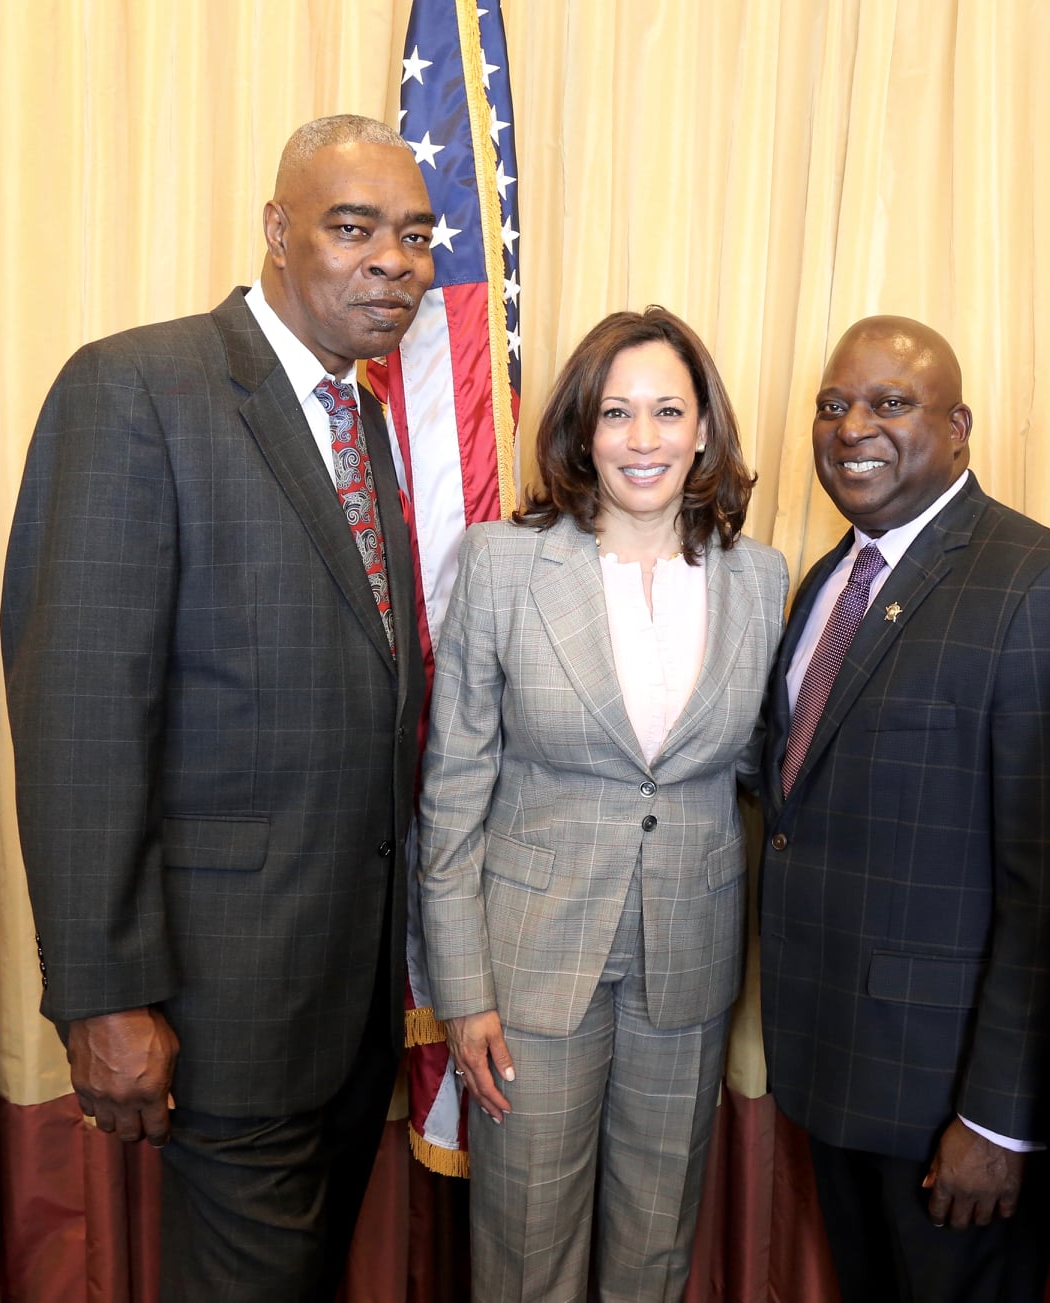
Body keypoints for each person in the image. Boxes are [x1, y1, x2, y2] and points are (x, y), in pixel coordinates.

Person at [0, 115, 432, 1300]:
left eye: (414, 235)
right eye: (354, 227)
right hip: (217, 1007)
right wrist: (102, 996)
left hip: (347, 1009)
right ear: (277, 231)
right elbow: (80, 715)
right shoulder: (135, 389)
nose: (393, 261)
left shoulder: (363, 420)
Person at [417, 306, 788, 1301]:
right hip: (530, 971)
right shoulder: (500, 565)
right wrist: (463, 991)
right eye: (616, 412)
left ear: (703, 429)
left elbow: (765, 767)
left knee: (655, 1251)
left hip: (688, 964)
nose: (642, 438)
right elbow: (451, 799)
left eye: (668, 411)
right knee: (525, 1251)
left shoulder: (760, 580)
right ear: (583, 431)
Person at [758, 315, 1050, 1303]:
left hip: (953, 1107)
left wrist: (999, 1120)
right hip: (833, 1068)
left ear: (956, 429)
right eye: (832, 405)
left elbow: (1046, 881)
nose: (852, 427)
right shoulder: (828, 579)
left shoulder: (1039, 579)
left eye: (889, 402)